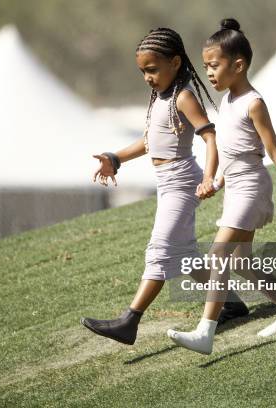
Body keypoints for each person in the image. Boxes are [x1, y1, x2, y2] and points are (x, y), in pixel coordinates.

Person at [166, 18, 276, 354]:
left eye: (214, 65)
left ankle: (204, 332)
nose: (208, 72)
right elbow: (231, 150)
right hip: (237, 187)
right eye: (206, 65)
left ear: (238, 65)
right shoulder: (226, 102)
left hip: (252, 187)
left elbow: (274, 153)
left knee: (219, 253)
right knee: (240, 261)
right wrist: (216, 181)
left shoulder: (253, 102)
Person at [81, 27, 245, 345]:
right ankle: (233, 302)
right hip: (167, 184)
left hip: (183, 183)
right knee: (184, 256)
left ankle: (129, 321)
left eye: (152, 69)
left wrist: (209, 177)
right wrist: (116, 157)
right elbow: (149, 140)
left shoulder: (183, 96)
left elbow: (210, 137)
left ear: (175, 62)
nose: (147, 77)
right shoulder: (161, 97)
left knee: (159, 251)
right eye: (143, 71)